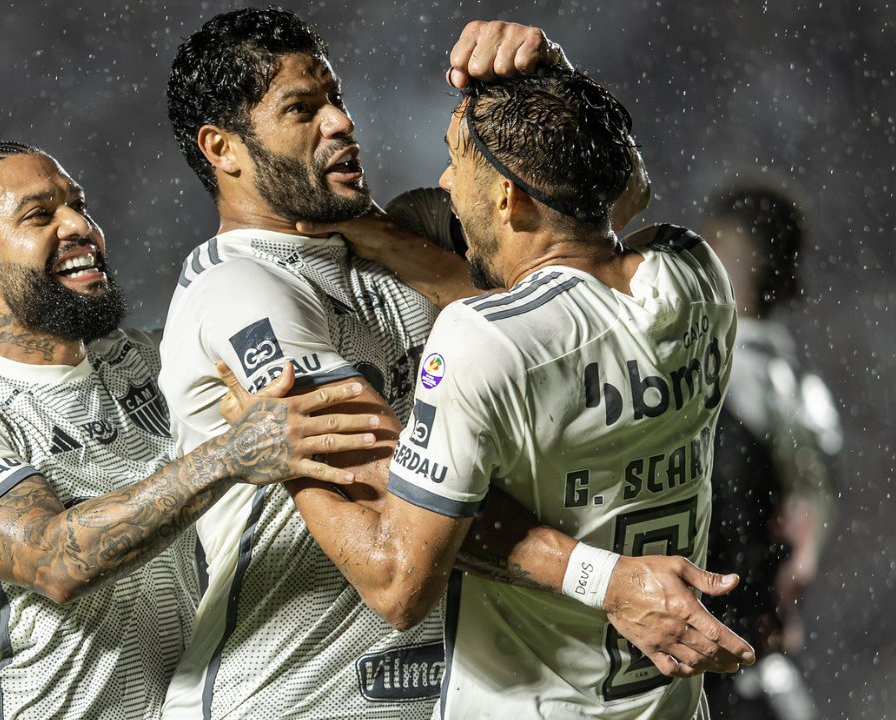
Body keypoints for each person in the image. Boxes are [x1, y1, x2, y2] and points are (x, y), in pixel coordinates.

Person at [159, 10, 752, 719]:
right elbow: (397, 550)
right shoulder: (242, 292)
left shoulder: (408, 233)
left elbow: (588, 207)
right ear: (222, 148)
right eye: (302, 109)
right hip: (294, 699)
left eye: (337, 97)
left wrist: (545, 85)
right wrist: (605, 579)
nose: (341, 123)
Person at [0, 141, 380, 720]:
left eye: (79, 205)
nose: (80, 226)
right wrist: (230, 455)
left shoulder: (150, 359)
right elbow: (53, 560)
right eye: (40, 215)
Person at [700, 184, 839, 720]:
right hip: (740, 652)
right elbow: (806, 524)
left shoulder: (678, 367)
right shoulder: (794, 389)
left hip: (683, 649)